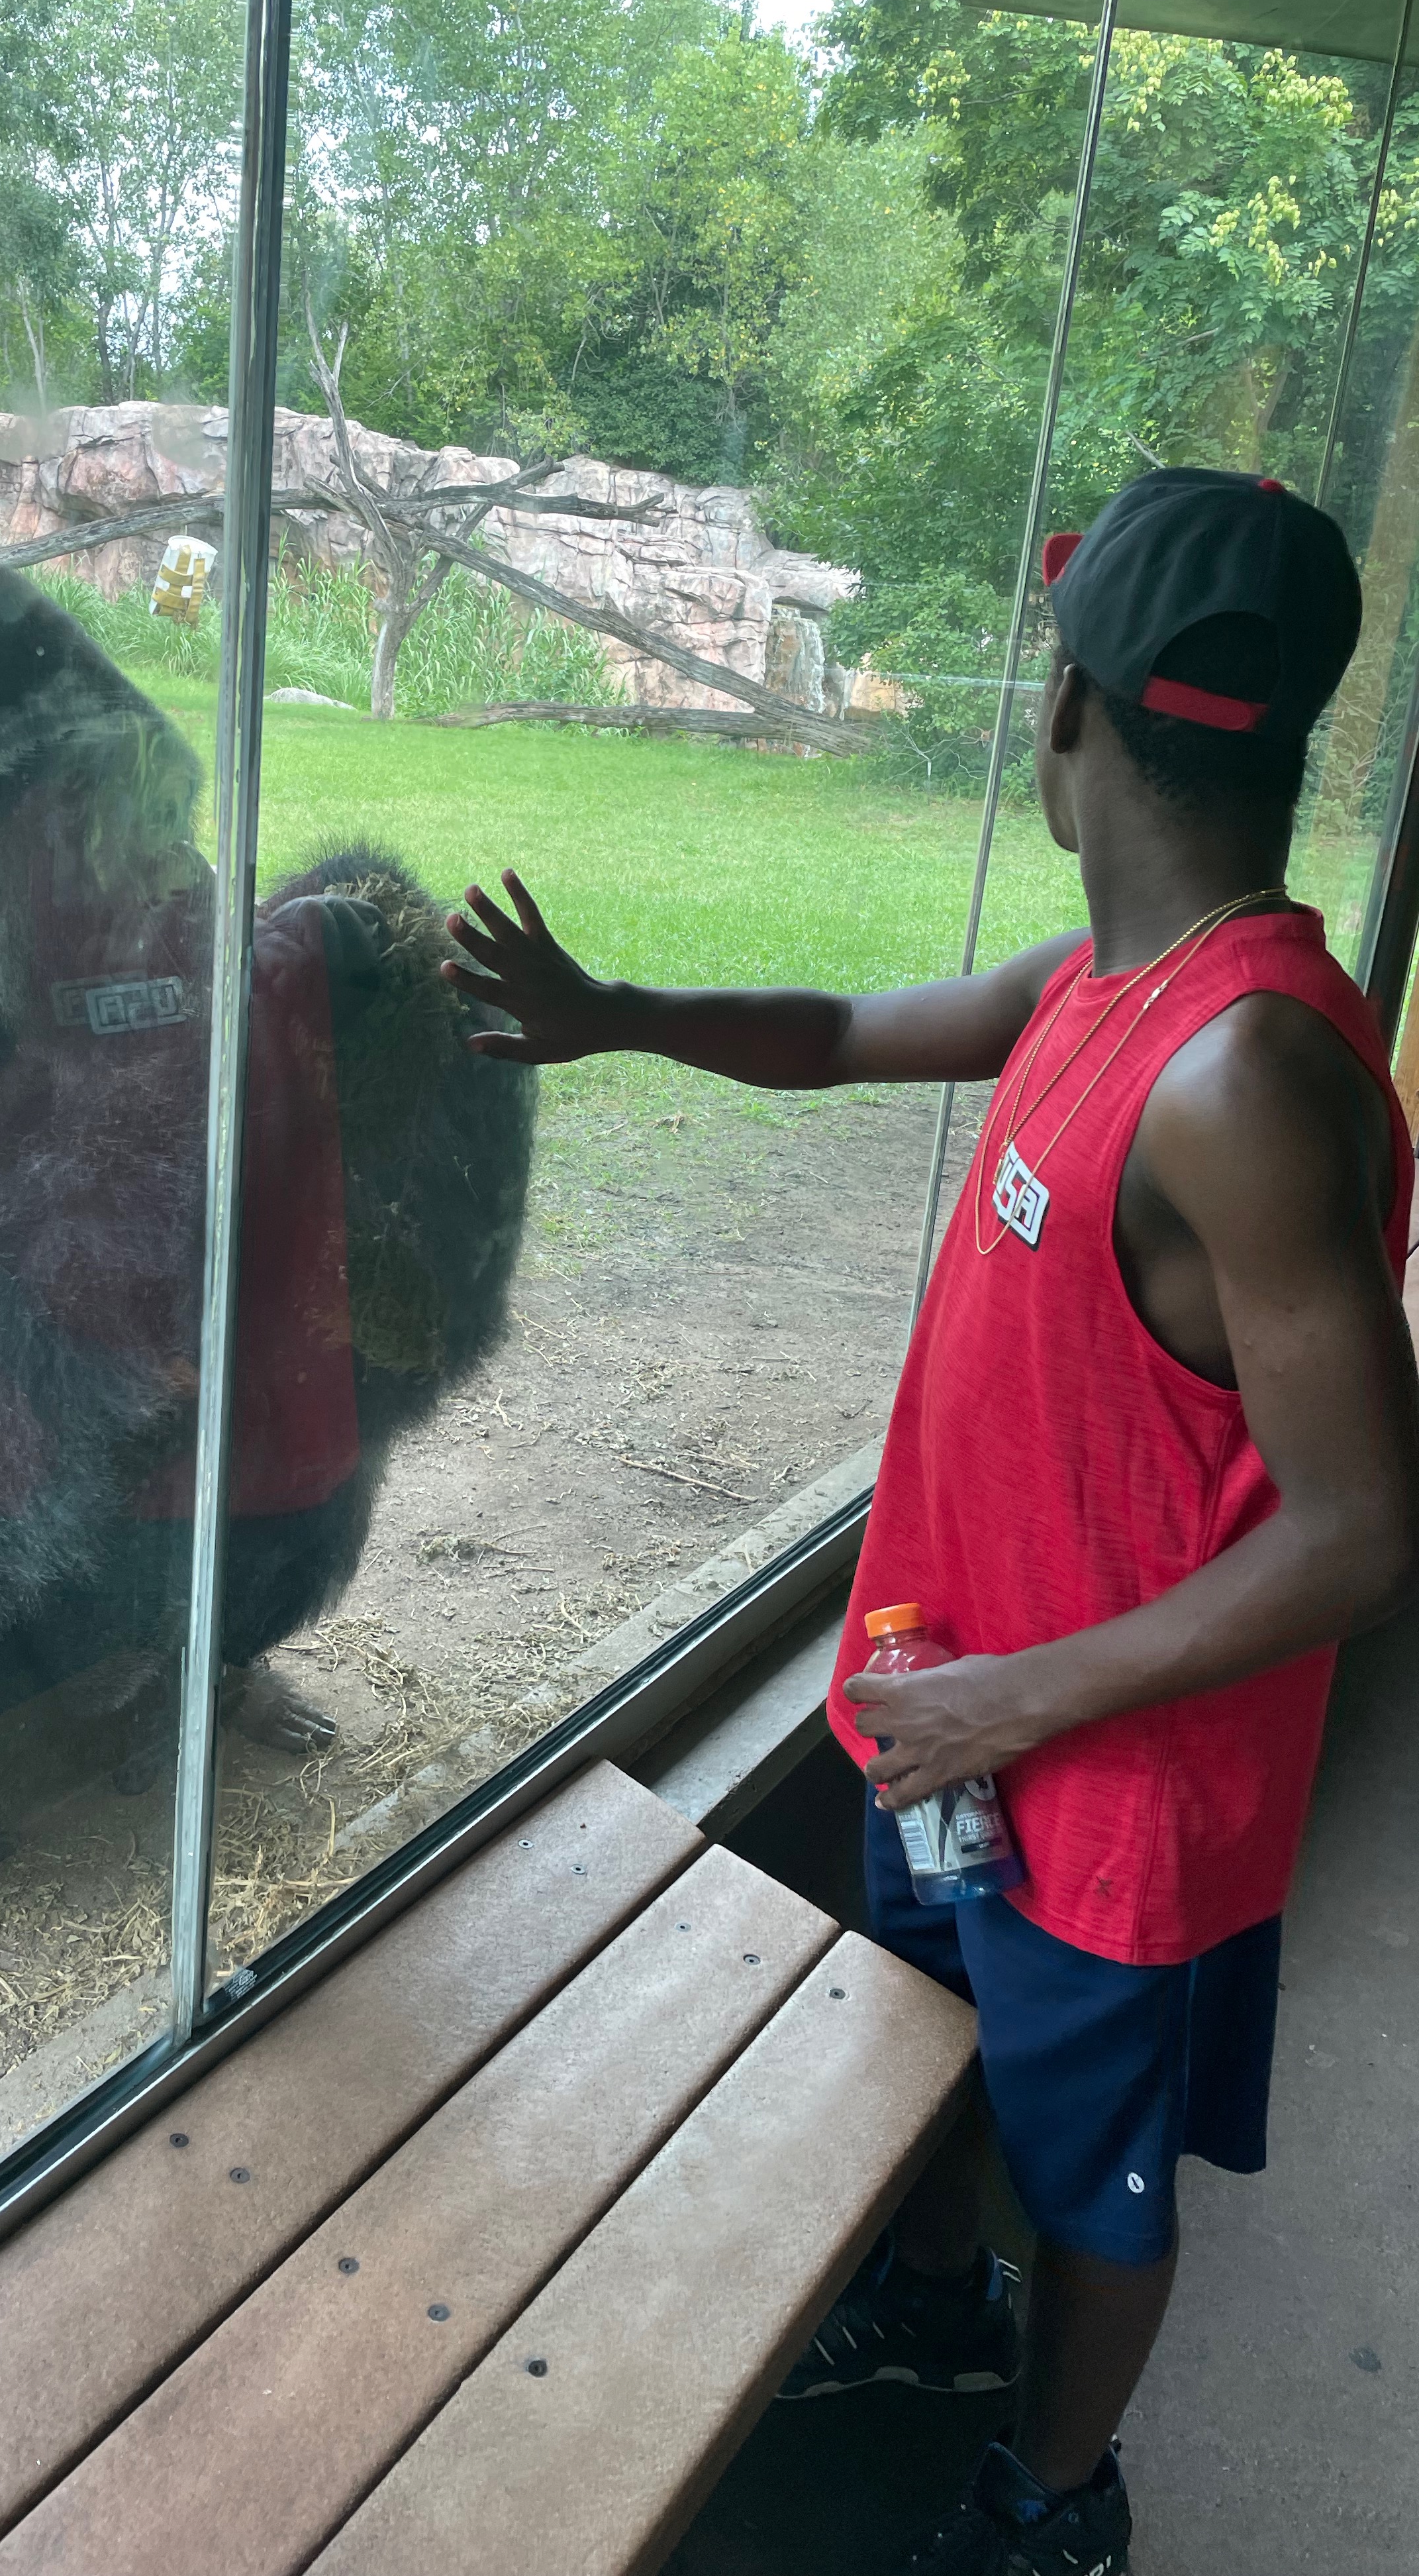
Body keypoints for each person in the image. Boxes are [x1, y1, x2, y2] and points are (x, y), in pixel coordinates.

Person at [440, 467, 1419, 2576]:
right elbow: (840, 1036)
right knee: (935, 2041)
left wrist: (1011, 1706)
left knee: (1094, 2179)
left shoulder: (1243, 1078)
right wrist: (620, 1015)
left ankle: (1057, 2498)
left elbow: (1362, 1531)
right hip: (956, 1714)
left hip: (1105, 1792)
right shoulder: (1105, 984)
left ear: (1067, 715)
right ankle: (931, 2304)